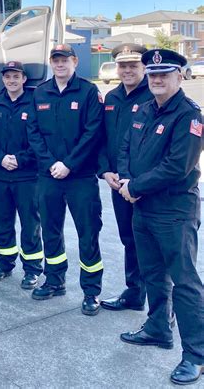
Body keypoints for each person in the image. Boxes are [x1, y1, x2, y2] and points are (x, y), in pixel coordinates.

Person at [118, 49, 203, 386]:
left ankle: (196, 355)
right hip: (143, 207)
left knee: (184, 282)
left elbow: (177, 166)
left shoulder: (189, 115)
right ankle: (157, 328)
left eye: (164, 74)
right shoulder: (144, 108)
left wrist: (134, 186)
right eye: (152, 73)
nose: (156, 79)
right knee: (152, 273)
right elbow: (126, 145)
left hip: (173, 210)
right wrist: (125, 179)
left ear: (180, 76)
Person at [27, 43, 104, 316]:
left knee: (88, 233)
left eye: (65, 60)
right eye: (55, 60)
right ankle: (55, 280)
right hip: (48, 177)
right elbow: (33, 132)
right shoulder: (40, 92)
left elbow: (93, 132)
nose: (60, 65)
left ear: (74, 61)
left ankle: (91, 291)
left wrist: (69, 164)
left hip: (80, 177)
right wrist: (51, 165)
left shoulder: (88, 91)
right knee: (50, 230)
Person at [98, 43, 153, 311]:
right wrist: (105, 170)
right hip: (117, 182)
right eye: (123, 65)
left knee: (148, 241)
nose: (128, 70)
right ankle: (134, 293)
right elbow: (103, 139)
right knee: (128, 237)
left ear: (144, 67)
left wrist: (135, 179)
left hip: (143, 184)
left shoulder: (153, 95)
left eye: (133, 64)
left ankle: (155, 301)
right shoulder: (111, 98)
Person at [0, 61, 43, 289]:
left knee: (30, 224)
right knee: (2, 221)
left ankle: (32, 268)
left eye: (16, 76)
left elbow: (39, 138)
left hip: (27, 176)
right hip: (0, 175)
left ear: (24, 79)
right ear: (3, 79)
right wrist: (0, 158)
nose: (12, 80)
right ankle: (5, 263)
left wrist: (20, 159)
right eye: (8, 76)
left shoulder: (35, 103)